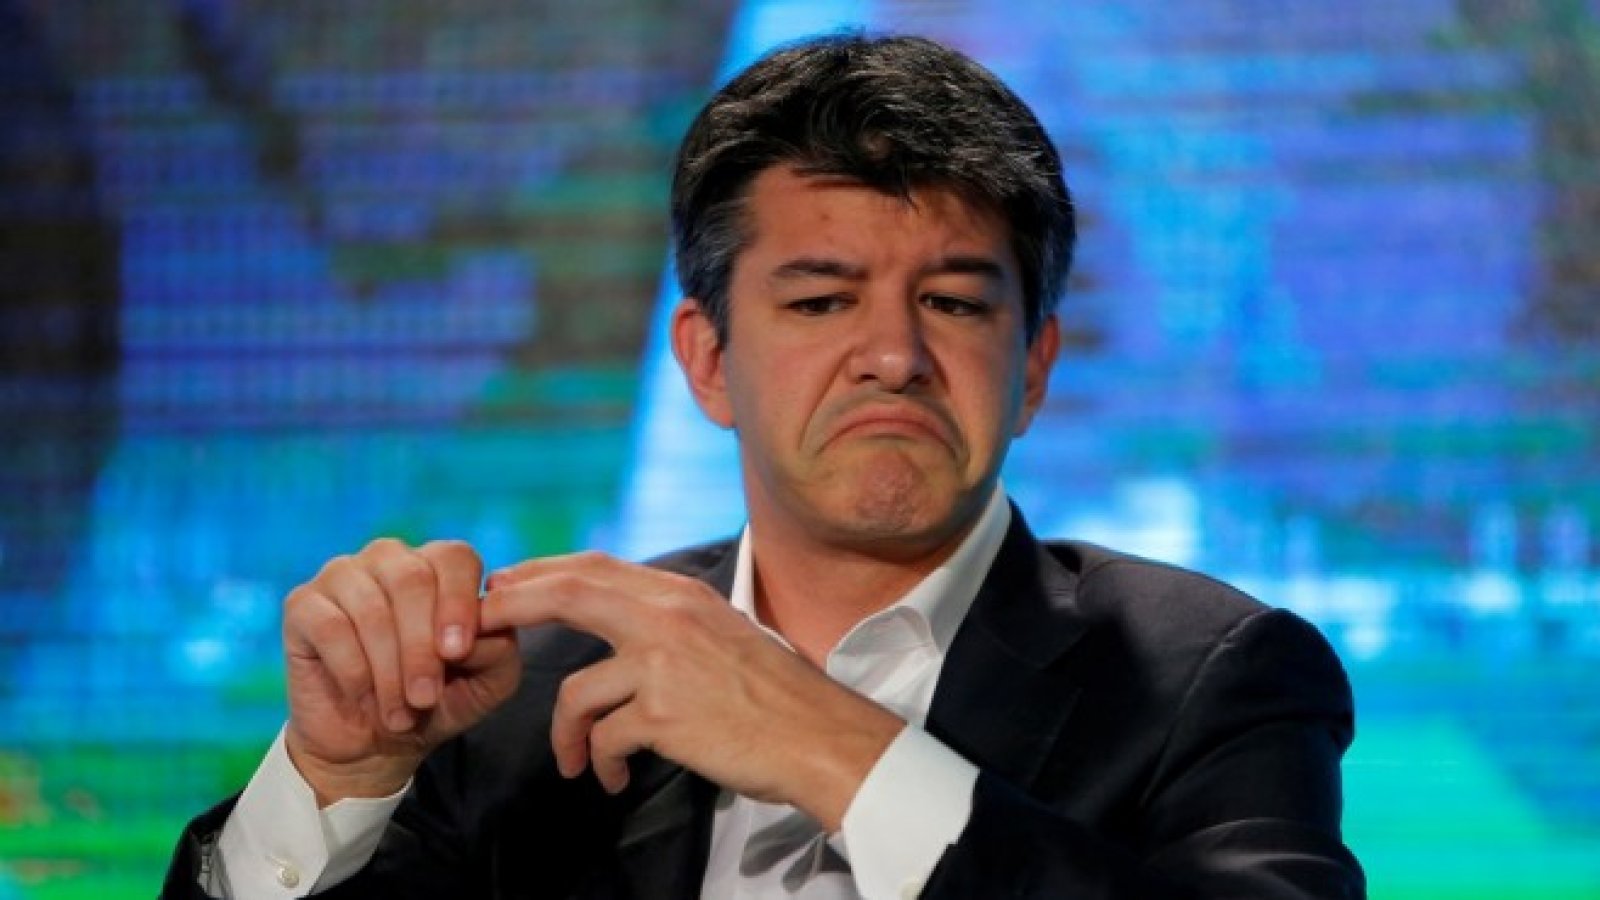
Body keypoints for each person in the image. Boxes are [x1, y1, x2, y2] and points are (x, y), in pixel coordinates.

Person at [164, 33, 1364, 899]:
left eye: (953, 303)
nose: (892, 356)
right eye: (821, 301)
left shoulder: (1211, 676)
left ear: (1034, 367)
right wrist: (341, 775)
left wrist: (830, 746)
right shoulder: (529, 694)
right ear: (706, 361)